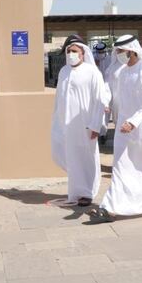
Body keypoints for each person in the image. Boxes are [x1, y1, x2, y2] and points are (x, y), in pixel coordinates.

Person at [89, 36, 142, 222]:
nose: (117, 54)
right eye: (116, 51)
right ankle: (110, 207)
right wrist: (106, 103)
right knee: (120, 165)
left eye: (120, 51)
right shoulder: (123, 72)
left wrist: (134, 121)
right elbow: (111, 90)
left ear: (131, 50)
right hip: (124, 128)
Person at [51, 35, 107, 206]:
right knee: (72, 158)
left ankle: (87, 193)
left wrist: (96, 125)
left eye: (74, 51)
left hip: (86, 125)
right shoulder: (64, 71)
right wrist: (58, 121)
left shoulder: (92, 72)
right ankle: (75, 192)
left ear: (83, 53)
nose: (70, 54)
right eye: (68, 51)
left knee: (87, 158)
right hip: (67, 124)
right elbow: (60, 99)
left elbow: (100, 100)